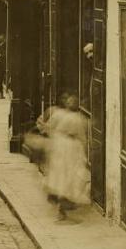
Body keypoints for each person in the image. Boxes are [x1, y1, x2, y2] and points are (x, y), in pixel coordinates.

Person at [42, 91, 90, 221]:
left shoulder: (59, 114)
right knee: (68, 177)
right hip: (70, 149)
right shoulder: (78, 118)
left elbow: (48, 128)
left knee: (62, 176)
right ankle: (63, 204)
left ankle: (60, 203)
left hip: (61, 146)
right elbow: (82, 137)